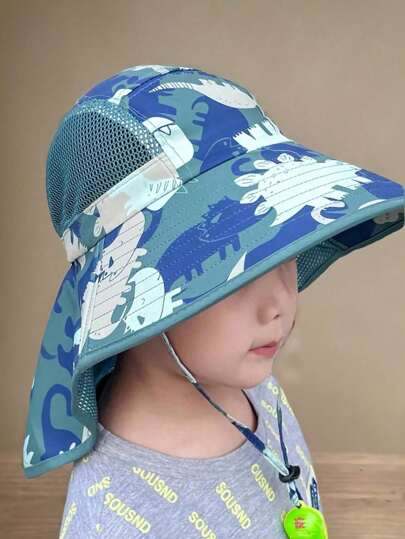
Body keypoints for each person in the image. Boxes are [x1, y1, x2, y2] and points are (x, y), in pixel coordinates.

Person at [22, 64, 404, 539]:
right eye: (232, 270)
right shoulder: (114, 515)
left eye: (282, 252)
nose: (278, 305)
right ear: (137, 295)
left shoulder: (248, 386)